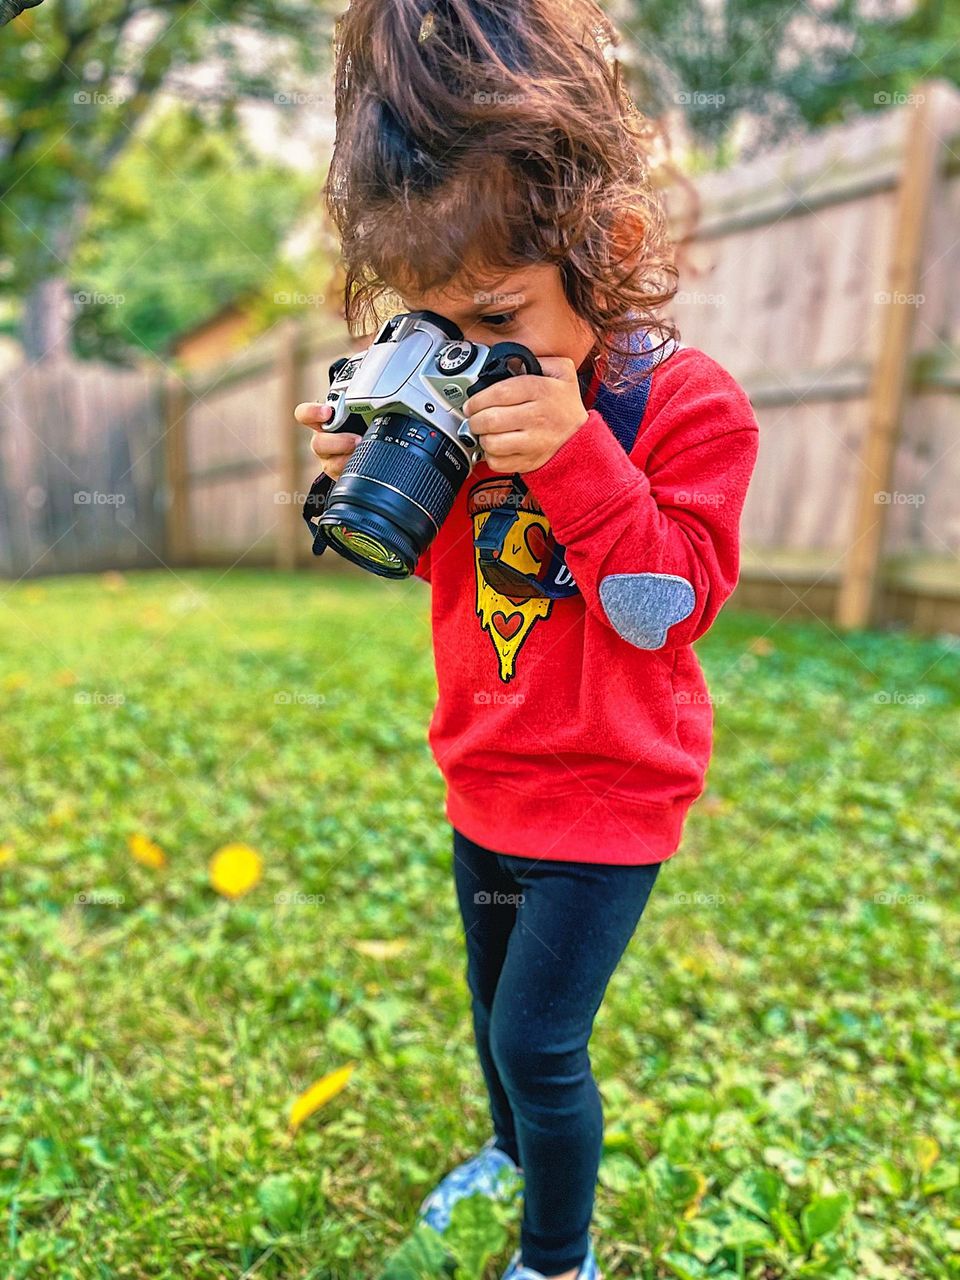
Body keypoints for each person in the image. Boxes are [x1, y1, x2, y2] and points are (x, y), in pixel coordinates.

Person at [295, 3, 760, 1277]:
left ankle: (558, 1255)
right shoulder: (465, 386)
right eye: (437, 327)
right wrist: (371, 466)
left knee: (542, 1041)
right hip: (484, 779)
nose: (473, 358)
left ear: (602, 247)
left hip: (607, 801)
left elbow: (662, 608)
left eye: (499, 317)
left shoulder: (683, 404)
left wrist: (580, 461)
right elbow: (460, 579)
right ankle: (507, 1150)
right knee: (493, 1015)